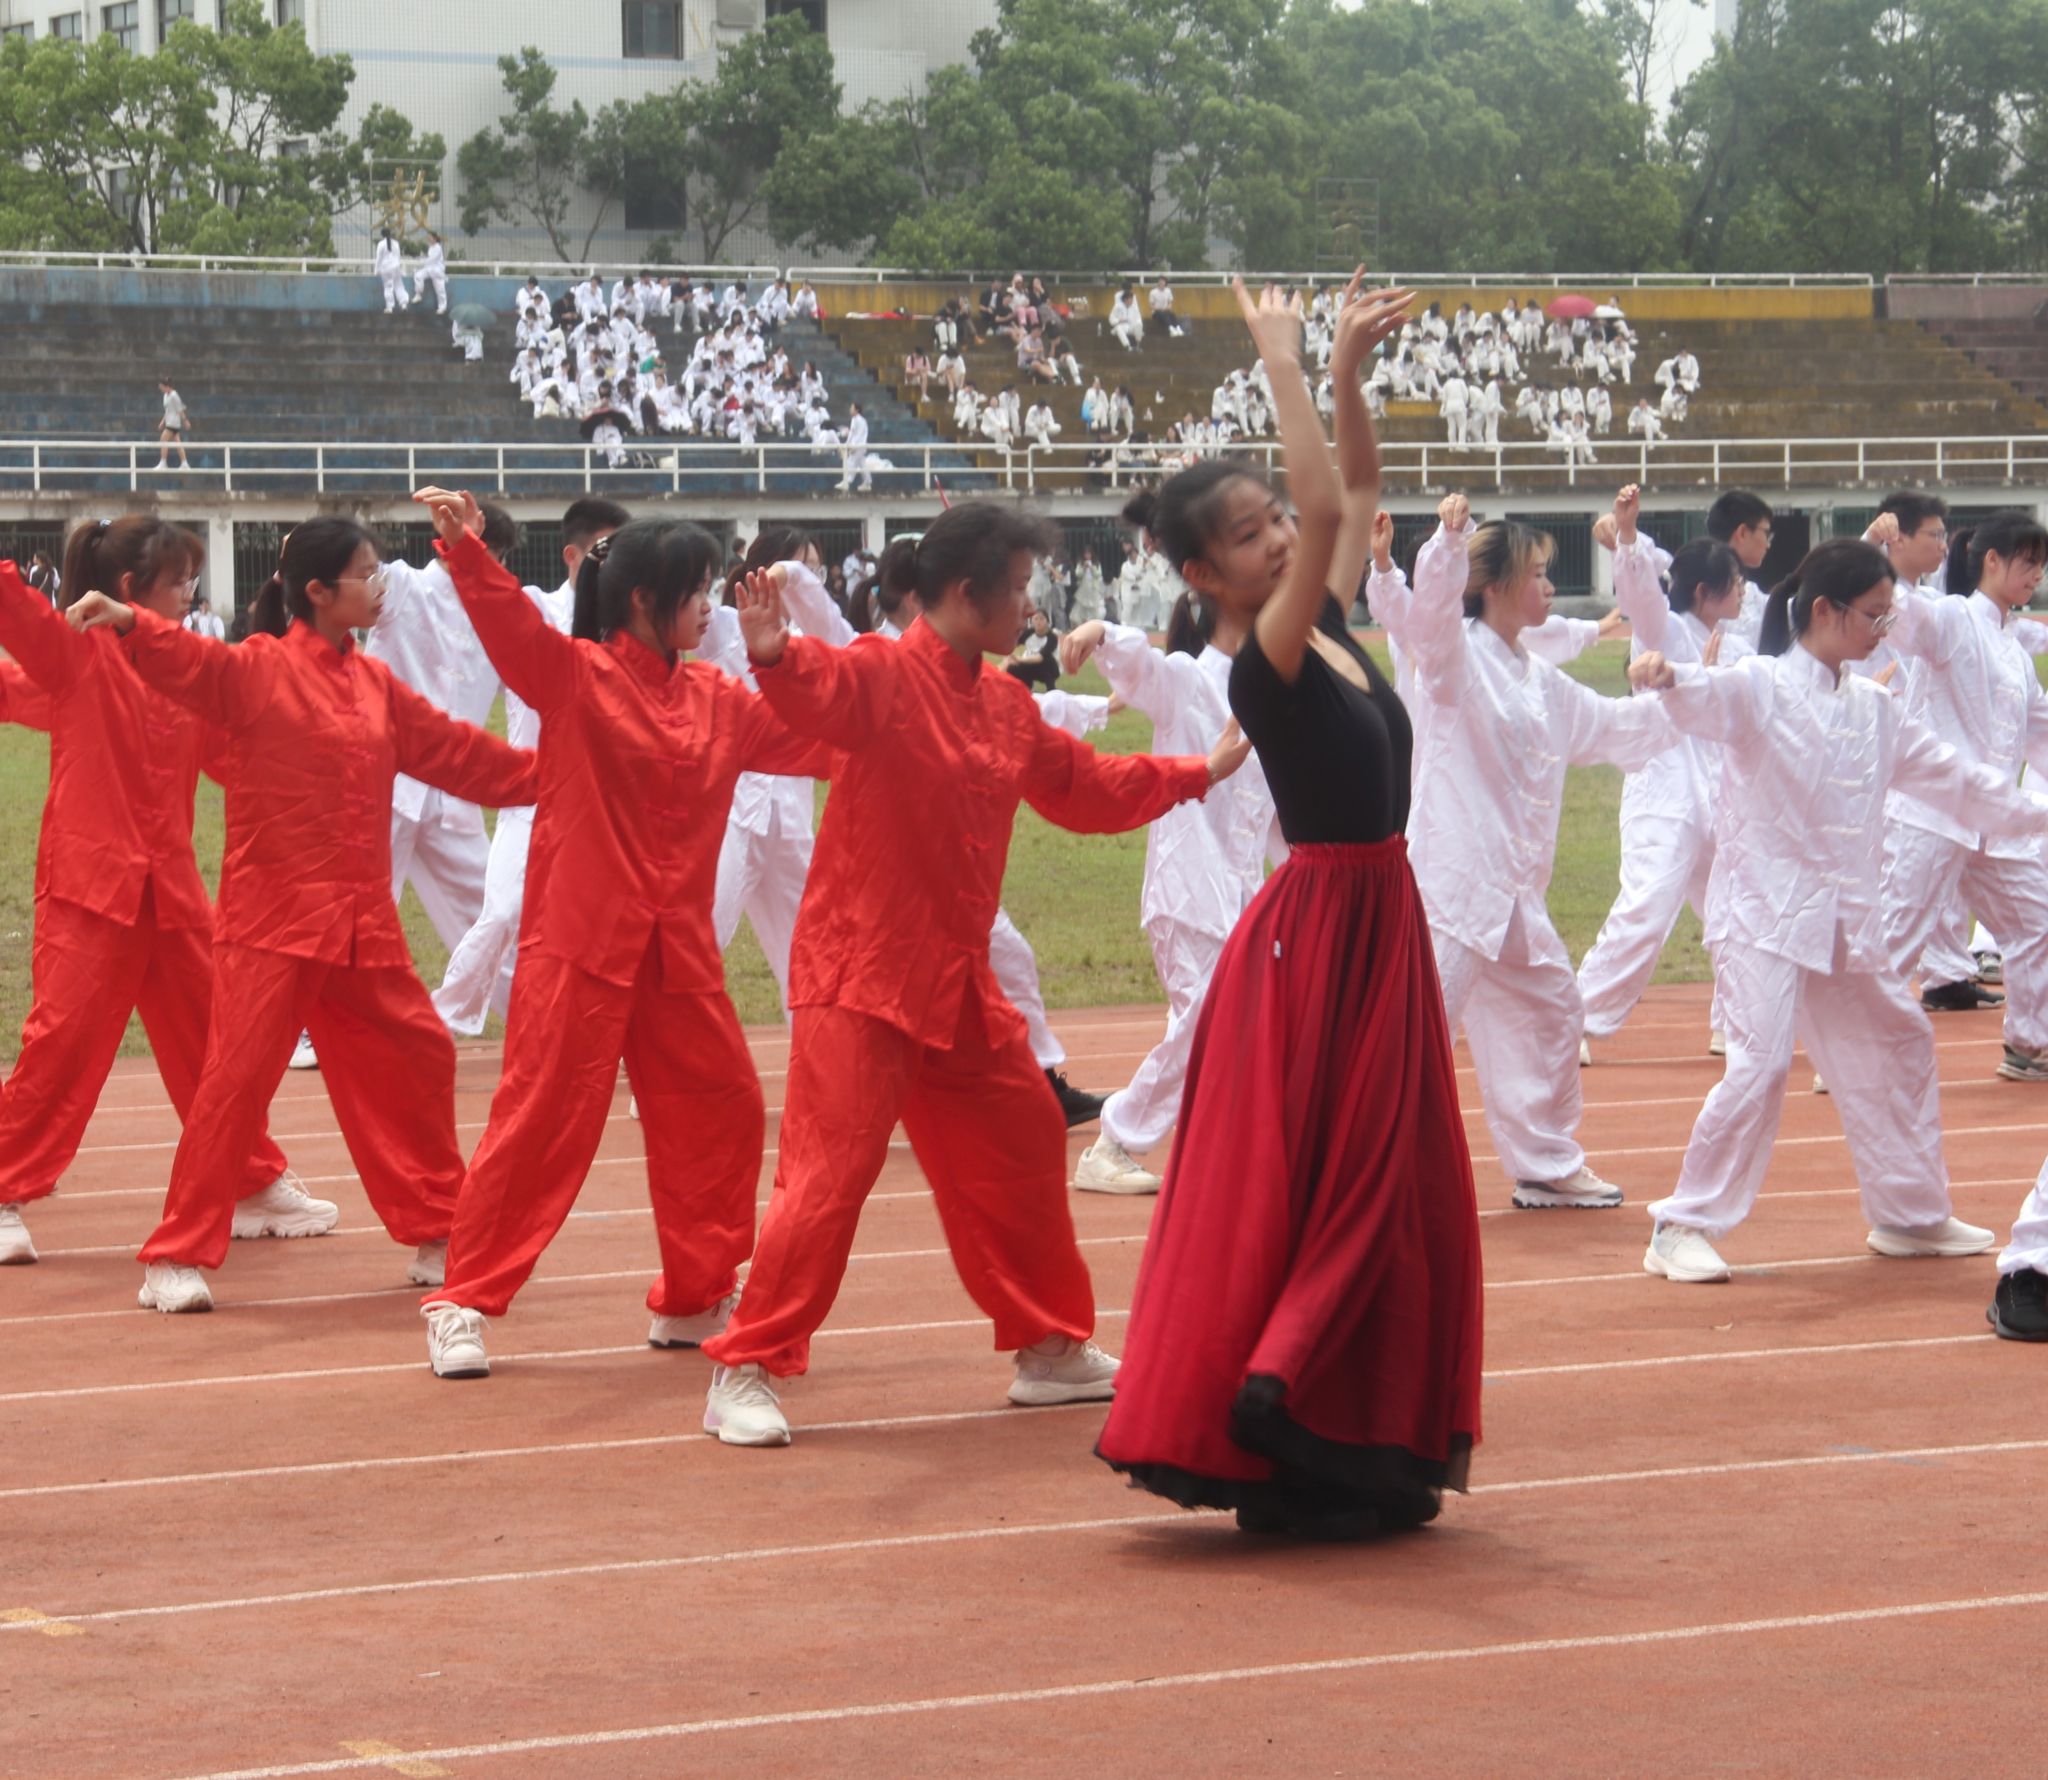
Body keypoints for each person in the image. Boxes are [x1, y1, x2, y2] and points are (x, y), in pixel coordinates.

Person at [694, 500, 1246, 1447]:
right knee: (831, 1173)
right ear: (965, 594)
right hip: (860, 974)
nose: (1030, 609)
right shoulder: (882, 673)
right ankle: (746, 1362)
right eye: (1021, 590)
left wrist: (1197, 771)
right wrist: (777, 655)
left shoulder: (1000, 704)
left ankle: (1047, 1347)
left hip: (953, 981)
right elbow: (817, 689)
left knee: (1028, 1132)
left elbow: (1082, 785)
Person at [1097, 274, 1486, 1539]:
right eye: (1256, 531)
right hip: (1325, 932)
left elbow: (1349, 496)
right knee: (1351, 1180)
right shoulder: (1255, 658)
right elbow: (1330, 500)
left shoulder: (1317, 620)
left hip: (1372, 921)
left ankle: (1331, 1420)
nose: (1284, 537)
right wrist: (1287, 361)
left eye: (1278, 523)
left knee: (1387, 1185)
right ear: (1206, 570)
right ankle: (1277, 1400)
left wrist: (1349, 386)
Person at [409, 492, 833, 1379]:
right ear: (644, 602)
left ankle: (693, 1294)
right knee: (540, 1123)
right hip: (581, 945)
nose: (710, 608)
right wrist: (466, 551)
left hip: (676, 948)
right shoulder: (577, 678)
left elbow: (820, 736)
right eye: (698, 592)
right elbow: (509, 634)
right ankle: (462, 1299)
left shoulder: (721, 695)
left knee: (720, 1113)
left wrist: (783, 659)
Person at [64, 518, 537, 1313]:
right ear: (317, 591)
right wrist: (132, 621)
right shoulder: (257, 669)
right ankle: (174, 1254)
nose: (379, 582)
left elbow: (464, 755)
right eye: (365, 572)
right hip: (272, 922)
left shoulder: (375, 684)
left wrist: (559, 774)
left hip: (360, 924)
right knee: (235, 1086)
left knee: (420, 1050)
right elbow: (194, 661)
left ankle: (437, 1229)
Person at [1625, 540, 2048, 1284]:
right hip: (1763, 915)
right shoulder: (1761, 685)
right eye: (1874, 617)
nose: (1884, 632)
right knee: (1758, 1067)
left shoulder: (1873, 706)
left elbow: (1950, 776)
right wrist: (1667, 674)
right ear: (1824, 611)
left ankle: (1909, 1213)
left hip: (1847, 920)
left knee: (1898, 1039)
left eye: (1890, 618)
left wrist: (2026, 815)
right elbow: (1704, 692)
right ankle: (1681, 1223)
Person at [0, 521, 316, 1270]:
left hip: (169, 893)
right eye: (179, 582)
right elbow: (16, 616)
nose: (192, 595)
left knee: (216, 1045)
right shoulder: (75, 653)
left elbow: (230, 760)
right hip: (89, 889)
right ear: (132, 591)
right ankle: (6, 1184)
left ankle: (248, 1179)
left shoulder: (189, 672)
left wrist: (313, 768)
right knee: (62, 1046)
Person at [1386, 497, 1677, 1209]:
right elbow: (1429, 628)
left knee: (1551, 1005)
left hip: (1512, 893)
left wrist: (1678, 693)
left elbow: (1612, 729)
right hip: (1454, 890)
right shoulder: (1455, 664)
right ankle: (1357, 1174)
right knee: (1411, 1034)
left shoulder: (1538, 679)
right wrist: (1447, 547)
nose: (1550, 586)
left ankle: (1544, 1161)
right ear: (1495, 587)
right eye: (1538, 574)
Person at [1058, 582, 1282, 1194]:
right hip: (1186, 889)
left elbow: (1269, 819)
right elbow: (1142, 669)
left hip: (1238, 898)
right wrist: (1100, 631)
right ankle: (1115, 1141)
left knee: (1231, 1025)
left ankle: (1232, 1149)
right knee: (1208, 1020)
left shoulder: (1264, 698)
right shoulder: (1188, 678)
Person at [433, 497, 629, 1036]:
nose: (614, 567)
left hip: (600, 804)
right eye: (605, 553)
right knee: (502, 913)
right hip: (533, 796)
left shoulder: (627, 625)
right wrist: (466, 545)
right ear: (572, 555)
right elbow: (497, 604)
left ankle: (601, 1032)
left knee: (605, 928)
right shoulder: (538, 607)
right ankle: (439, 1019)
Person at [1576, 489, 1748, 1057]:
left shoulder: (1734, 641)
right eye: (1735, 581)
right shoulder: (1665, 631)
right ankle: (1574, 1020)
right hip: (1663, 792)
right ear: (1706, 592)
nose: (1744, 589)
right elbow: (1643, 598)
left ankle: (1738, 1021)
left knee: (1739, 909)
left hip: (1718, 796)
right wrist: (1626, 539)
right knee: (1646, 911)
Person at [1877, 511, 2048, 1081]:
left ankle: (2030, 1042)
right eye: (2027, 563)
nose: (2035, 576)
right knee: (1898, 938)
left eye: (2041, 567)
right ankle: (1854, 1049)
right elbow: (1896, 611)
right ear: (1990, 560)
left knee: (2035, 924)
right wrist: (1880, 551)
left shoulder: (2017, 655)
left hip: (1992, 826)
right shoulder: (1951, 619)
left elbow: (2041, 731)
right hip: (1933, 813)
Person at [154, 378, 192, 471]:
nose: (161, 389)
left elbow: (180, 410)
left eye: (162, 387)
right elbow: (167, 410)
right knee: (177, 443)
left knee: (163, 439)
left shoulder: (174, 395)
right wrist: (162, 422)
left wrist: (185, 421)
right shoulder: (165, 396)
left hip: (173, 423)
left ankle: (163, 462)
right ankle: (184, 463)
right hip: (169, 421)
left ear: (167, 386)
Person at [413, 231, 448, 316]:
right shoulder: (431, 247)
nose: (428, 238)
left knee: (440, 289)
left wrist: (422, 261)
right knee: (418, 275)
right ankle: (418, 294)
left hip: (437, 271)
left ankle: (442, 307)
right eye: (428, 237)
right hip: (429, 269)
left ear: (434, 238)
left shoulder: (438, 248)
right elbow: (428, 259)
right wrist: (421, 258)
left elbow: (432, 259)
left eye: (430, 237)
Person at [374, 232, 409, 314]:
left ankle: (389, 307)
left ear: (382, 235)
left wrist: (376, 270)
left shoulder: (381, 244)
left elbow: (379, 258)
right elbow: (398, 257)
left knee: (388, 287)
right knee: (399, 286)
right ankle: (403, 304)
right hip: (396, 267)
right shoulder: (396, 243)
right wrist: (400, 270)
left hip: (386, 268)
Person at [840, 403, 871, 493]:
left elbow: (854, 434)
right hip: (861, 445)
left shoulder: (856, 420)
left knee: (850, 462)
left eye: (852, 408)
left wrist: (850, 445)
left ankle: (847, 481)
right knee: (862, 464)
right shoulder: (862, 420)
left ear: (857, 410)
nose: (850, 410)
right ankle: (867, 482)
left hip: (857, 445)